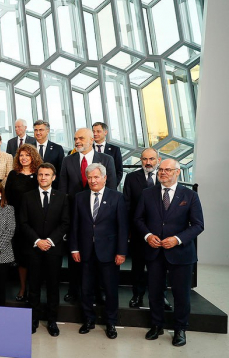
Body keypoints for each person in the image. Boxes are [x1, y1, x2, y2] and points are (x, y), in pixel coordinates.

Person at [135, 159, 204, 347]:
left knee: (181, 294)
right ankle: (156, 325)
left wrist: (177, 239)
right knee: (155, 292)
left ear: (177, 172)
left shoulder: (190, 195)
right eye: (161, 170)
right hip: (154, 251)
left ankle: (180, 329)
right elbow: (138, 219)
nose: (163, 173)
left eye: (167, 170)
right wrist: (148, 235)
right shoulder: (147, 193)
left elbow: (198, 225)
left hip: (181, 253)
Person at [59, 127, 117, 302]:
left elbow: (112, 188)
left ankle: (100, 291)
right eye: (75, 138)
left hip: (100, 217)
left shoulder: (107, 159)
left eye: (81, 138)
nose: (77, 141)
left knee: (100, 255)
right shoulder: (67, 160)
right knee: (75, 255)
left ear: (92, 140)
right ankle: (74, 290)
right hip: (75, 216)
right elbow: (62, 190)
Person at [70, 163, 128, 340]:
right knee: (86, 288)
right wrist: (74, 248)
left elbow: (122, 227)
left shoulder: (117, 197)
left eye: (96, 177)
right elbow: (74, 225)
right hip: (85, 251)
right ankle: (88, 320)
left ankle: (111, 323)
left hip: (109, 252)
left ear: (105, 178)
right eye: (90, 177)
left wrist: (121, 252)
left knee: (110, 290)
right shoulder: (80, 197)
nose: (93, 180)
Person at [19, 163, 70, 336]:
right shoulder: (27, 197)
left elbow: (65, 223)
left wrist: (49, 241)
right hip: (33, 248)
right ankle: (33, 320)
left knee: (53, 287)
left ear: (53, 177)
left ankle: (52, 321)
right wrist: (37, 241)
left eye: (47, 175)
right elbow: (23, 222)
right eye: (40, 174)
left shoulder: (62, 197)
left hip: (53, 249)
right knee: (33, 286)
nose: (43, 177)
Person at [124, 147, 161, 308]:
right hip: (138, 230)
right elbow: (127, 205)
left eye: (151, 159)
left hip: (160, 232)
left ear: (158, 160)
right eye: (145, 159)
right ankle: (137, 295)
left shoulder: (164, 176)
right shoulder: (131, 178)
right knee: (137, 266)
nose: (148, 162)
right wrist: (128, 230)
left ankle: (161, 296)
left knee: (159, 267)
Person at [5, 144, 42, 301]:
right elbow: (7, 197)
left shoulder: (39, 174)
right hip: (17, 221)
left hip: (36, 222)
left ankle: (34, 290)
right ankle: (22, 289)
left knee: (34, 257)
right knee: (21, 257)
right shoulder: (13, 174)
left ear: (33, 156)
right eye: (21, 155)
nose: (24, 158)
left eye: (27, 155)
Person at [32, 120, 65, 188]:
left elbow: (61, 171)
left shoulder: (57, 149)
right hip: (32, 187)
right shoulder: (29, 148)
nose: (38, 133)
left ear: (47, 131)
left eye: (41, 130)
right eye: (36, 130)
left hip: (52, 187)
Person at [92, 121, 123, 186]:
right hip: (92, 185)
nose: (95, 134)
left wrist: (113, 185)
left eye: (98, 131)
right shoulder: (89, 149)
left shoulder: (115, 149)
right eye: (93, 131)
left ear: (105, 132)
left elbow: (119, 170)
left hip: (109, 186)